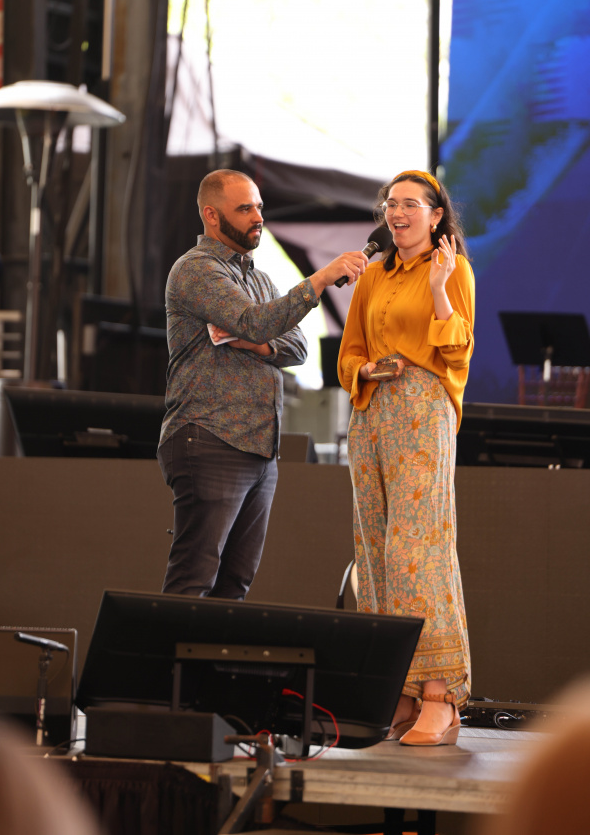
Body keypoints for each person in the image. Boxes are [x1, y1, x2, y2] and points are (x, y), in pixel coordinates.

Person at [159, 168, 368, 598]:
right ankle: (167, 649)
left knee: (235, 584)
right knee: (194, 580)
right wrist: (319, 280)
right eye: (245, 208)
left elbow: (298, 347)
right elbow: (255, 321)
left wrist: (257, 343)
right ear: (211, 216)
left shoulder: (259, 279)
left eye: (259, 206)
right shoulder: (196, 270)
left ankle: (211, 649)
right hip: (211, 436)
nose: (258, 216)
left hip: (259, 448)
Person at [337, 169, 475, 747]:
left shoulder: (453, 269)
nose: (396, 213)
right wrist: (365, 370)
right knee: (374, 554)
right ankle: (399, 690)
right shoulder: (373, 274)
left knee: (416, 553)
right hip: (371, 415)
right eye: (391, 204)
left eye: (410, 205)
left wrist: (440, 287)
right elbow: (348, 353)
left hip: (423, 413)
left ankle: (440, 695)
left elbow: (458, 348)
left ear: (436, 215)